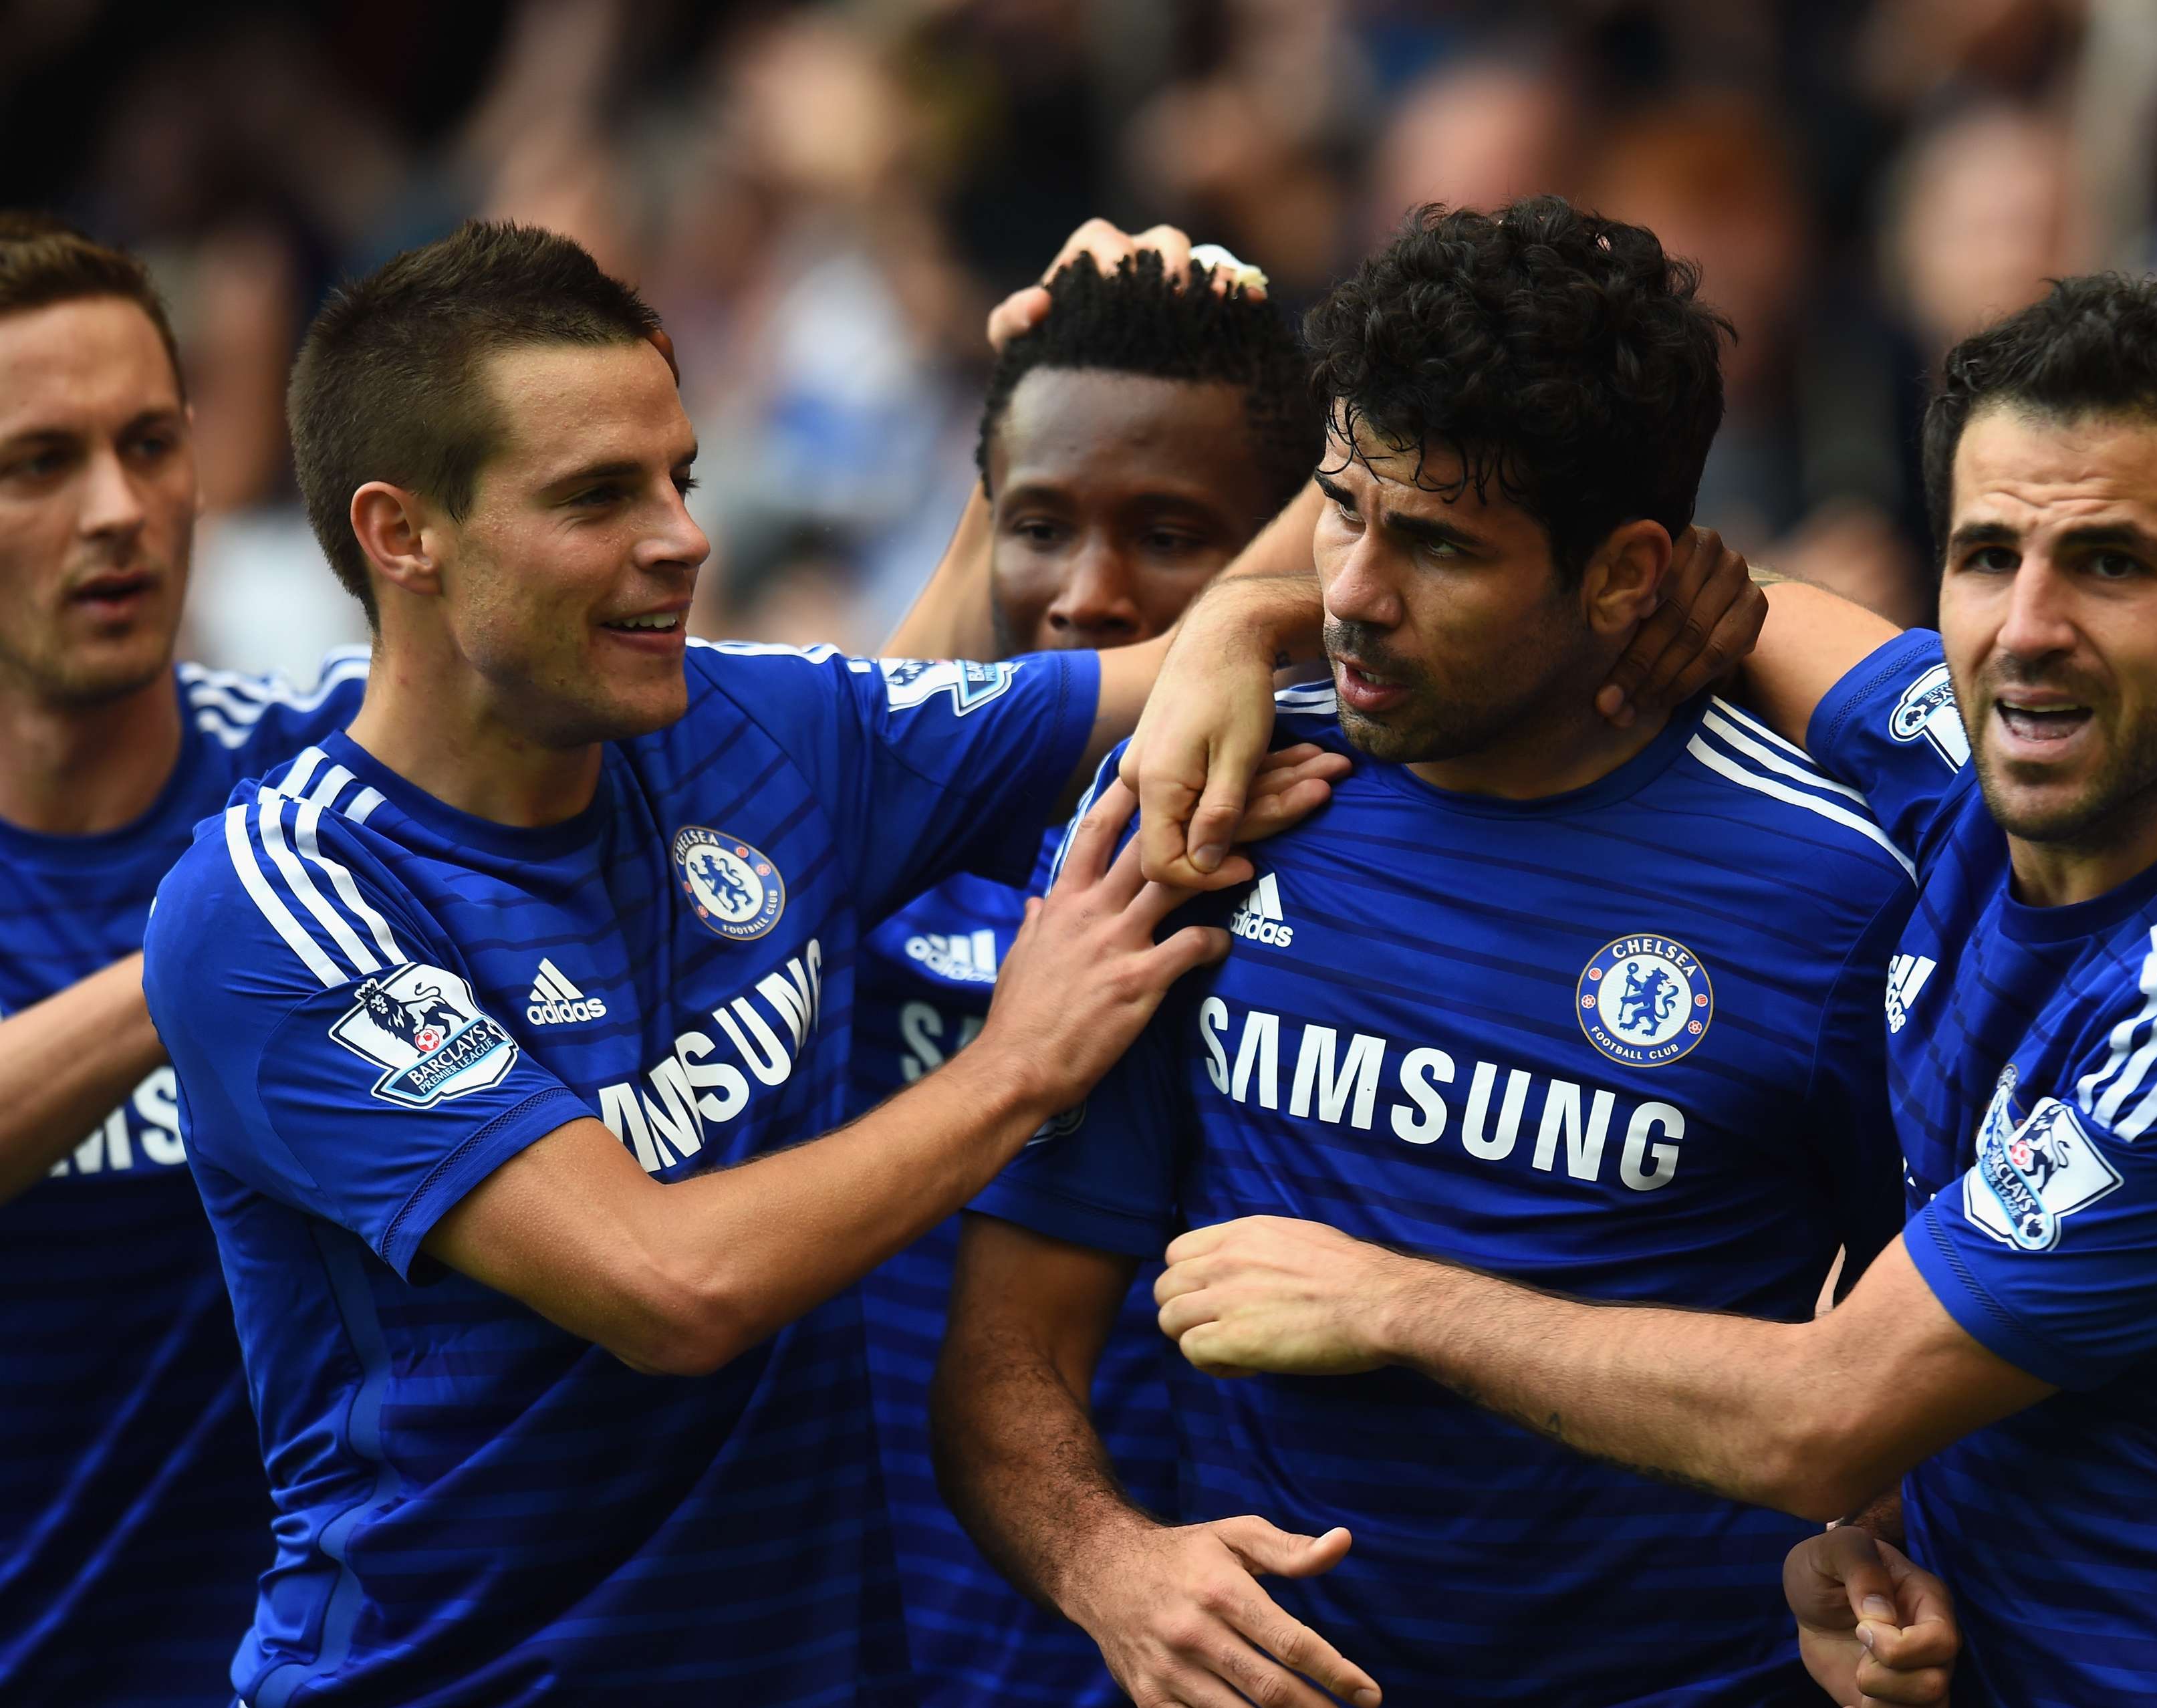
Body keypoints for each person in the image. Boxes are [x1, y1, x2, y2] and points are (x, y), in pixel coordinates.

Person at [1129, 273, 2157, 1708]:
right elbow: (1731, 601)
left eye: (2112, 565)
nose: (2030, 627)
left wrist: (1391, 1301)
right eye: (1989, 555)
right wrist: (1238, 626)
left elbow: (1825, 1416)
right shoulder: (1970, 768)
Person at [136, 219, 1350, 1705]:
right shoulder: (289, 901)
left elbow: (1159, 658)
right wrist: (1018, 1064)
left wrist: (1370, 414)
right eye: (599, 496)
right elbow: (668, 1283)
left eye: (679, 478)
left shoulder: (757, 730)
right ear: (404, 534)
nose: (684, 538)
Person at [934, 199, 1910, 1708]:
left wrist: (1877, 1560)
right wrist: (1109, 1565)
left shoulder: (1837, 894)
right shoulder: (1207, 796)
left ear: (1625, 571)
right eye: (1340, 505)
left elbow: (1941, 1374)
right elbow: (1008, 1351)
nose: (1353, 594)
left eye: (1440, 546)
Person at [854, 245, 1323, 1708]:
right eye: (1040, 524)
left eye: (1172, 532)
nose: (1088, 593)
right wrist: (1025, 402)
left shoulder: (1290, 843)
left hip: (1142, 1642)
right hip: (847, 1635)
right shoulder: (870, 807)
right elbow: (898, 714)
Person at [0, 213, 368, 1706]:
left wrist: (1001, 503)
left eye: (152, 444)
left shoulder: (320, 778)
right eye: (39, 463)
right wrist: (213, 947)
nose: (120, 509)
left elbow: (782, 777)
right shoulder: (294, 860)